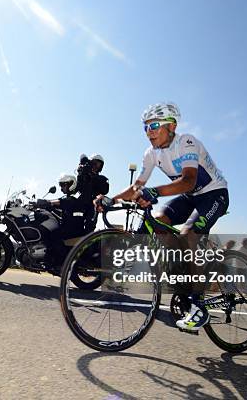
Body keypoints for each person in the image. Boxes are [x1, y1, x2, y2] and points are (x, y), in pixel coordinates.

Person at [96, 102, 229, 331]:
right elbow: (137, 187)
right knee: (159, 222)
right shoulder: (151, 154)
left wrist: (155, 192)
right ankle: (179, 274)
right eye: (146, 127)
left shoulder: (186, 142)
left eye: (155, 125)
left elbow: (188, 180)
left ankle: (199, 307)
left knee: (189, 235)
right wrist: (113, 200)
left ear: (172, 126)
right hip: (189, 197)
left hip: (213, 194)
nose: (150, 132)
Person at [35, 174, 89, 268]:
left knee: (53, 234)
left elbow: (65, 202)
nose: (62, 188)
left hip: (74, 229)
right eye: (61, 185)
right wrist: (43, 203)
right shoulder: (68, 196)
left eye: (64, 185)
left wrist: (47, 203)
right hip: (68, 226)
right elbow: (59, 201)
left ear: (71, 184)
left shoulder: (76, 196)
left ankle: (57, 264)